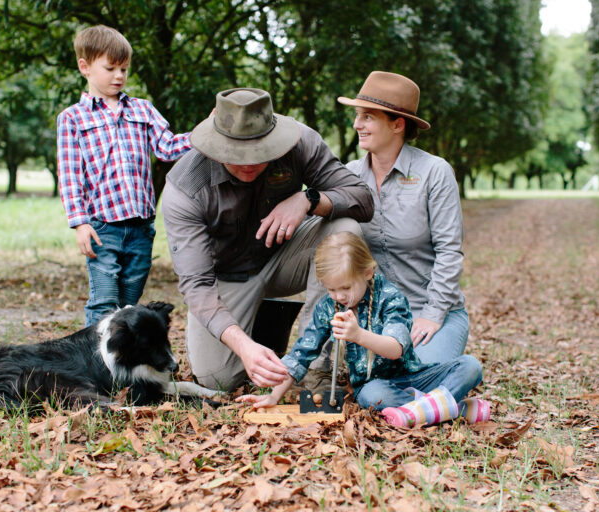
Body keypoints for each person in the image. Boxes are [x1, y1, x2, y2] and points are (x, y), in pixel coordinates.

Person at [161, 87, 374, 392]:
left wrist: (308, 199)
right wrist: (244, 347)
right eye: (236, 155)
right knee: (216, 378)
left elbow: (362, 199)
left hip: (285, 255)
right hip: (228, 276)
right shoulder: (185, 189)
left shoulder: (300, 142)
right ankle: (259, 329)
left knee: (345, 227)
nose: (248, 164)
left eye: (259, 153)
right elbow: (196, 286)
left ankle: (316, 367)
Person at [237, 232, 489, 427]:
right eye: (331, 289)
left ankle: (422, 409)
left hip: (411, 376)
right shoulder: (330, 306)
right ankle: (453, 409)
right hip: (376, 385)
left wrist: (358, 335)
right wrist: (273, 396)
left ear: (367, 272)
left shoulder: (390, 297)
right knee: (371, 396)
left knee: (470, 366)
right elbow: (302, 353)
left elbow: (396, 349)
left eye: (345, 288)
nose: (338, 296)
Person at [56, 25, 192, 326]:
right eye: (110, 68)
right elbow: (69, 175)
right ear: (85, 67)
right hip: (103, 228)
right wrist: (79, 223)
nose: (119, 76)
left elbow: (167, 147)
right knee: (104, 302)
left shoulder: (142, 110)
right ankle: (98, 367)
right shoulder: (72, 118)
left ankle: (124, 365)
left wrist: (205, 136)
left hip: (141, 228)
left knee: (128, 305)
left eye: (124, 69)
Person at [337, 71, 469, 365]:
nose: (357, 124)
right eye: (358, 115)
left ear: (398, 124)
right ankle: (445, 394)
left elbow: (450, 252)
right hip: (380, 318)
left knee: (417, 376)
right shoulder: (349, 175)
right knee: (374, 394)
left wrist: (432, 316)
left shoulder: (435, 172)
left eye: (368, 117)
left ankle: (461, 373)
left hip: (433, 313)